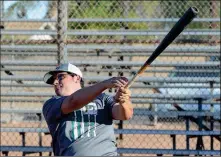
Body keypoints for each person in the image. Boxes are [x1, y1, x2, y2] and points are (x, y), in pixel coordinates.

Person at [42, 63, 133, 156]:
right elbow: (73, 101)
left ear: (76, 78)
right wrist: (104, 84)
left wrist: (124, 101)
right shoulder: (52, 104)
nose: (55, 82)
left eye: (60, 77)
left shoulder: (103, 99)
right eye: (54, 80)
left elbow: (124, 115)